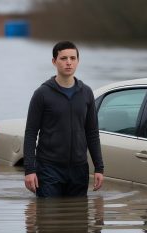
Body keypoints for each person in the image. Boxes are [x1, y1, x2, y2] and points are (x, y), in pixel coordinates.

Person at [24, 41, 104, 197]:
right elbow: (31, 133)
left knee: (78, 217)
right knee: (49, 217)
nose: (69, 62)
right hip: (49, 169)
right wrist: (29, 170)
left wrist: (99, 168)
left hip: (79, 170)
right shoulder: (42, 94)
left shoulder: (86, 93)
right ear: (54, 61)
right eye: (64, 58)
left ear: (78, 61)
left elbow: (92, 133)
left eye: (73, 58)